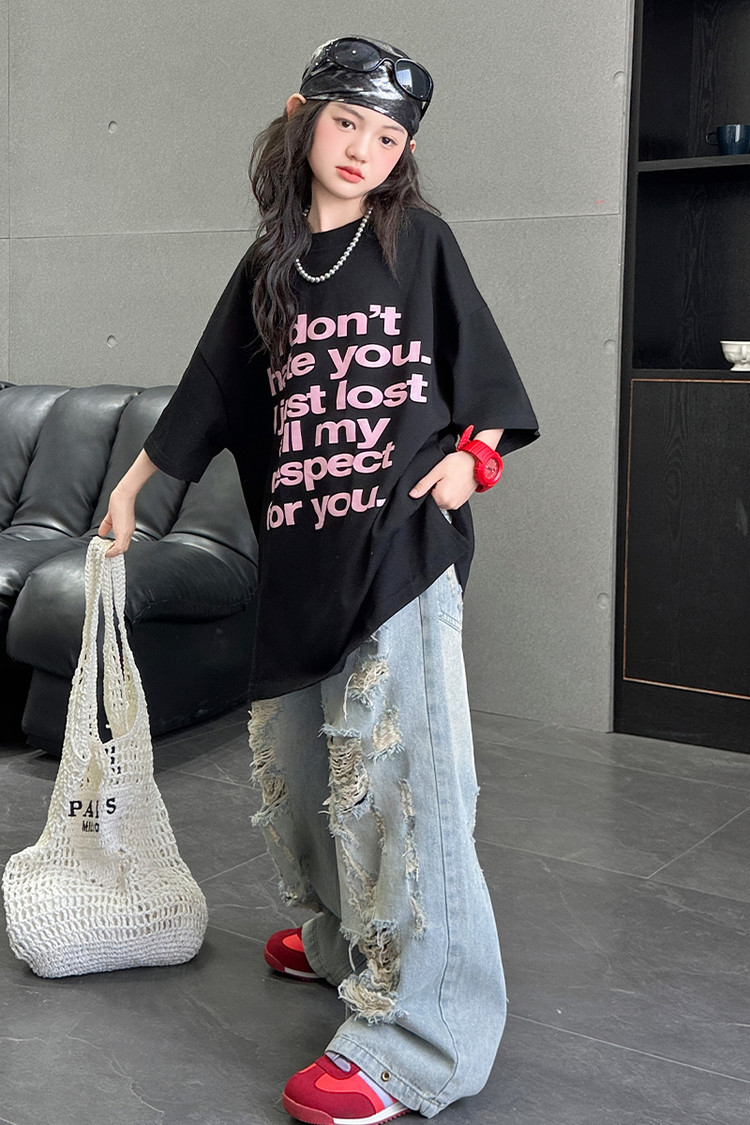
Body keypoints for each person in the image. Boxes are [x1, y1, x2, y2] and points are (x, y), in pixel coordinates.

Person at [100, 35, 539, 1124]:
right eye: (348, 124)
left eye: (388, 139)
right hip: (303, 553)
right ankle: (350, 941)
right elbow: (209, 390)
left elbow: (485, 373)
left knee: (405, 784)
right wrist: (134, 487)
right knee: (305, 771)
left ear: (404, 155)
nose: (363, 152)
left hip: (400, 550)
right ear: (303, 117)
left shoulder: (420, 243)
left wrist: (470, 462)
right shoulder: (272, 266)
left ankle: (422, 1038)